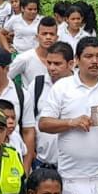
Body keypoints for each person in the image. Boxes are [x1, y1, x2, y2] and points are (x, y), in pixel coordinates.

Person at [40, 37, 98, 177]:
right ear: (77, 60)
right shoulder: (62, 87)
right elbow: (44, 124)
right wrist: (71, 122)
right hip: (71, 173)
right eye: (88, 56)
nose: (94, 61)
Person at [27, 42, 74, 171]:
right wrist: (30, 152)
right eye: (49, 63)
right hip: (42, 162)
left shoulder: (80, 88)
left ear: (70, 64)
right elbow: (28, 122)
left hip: (73, 165)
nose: (52, 68)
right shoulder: (37, 84)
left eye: (57, 64)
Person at [7, 15, 58, 86]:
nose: (48, 37)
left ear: (57, 38)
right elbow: (5, 78)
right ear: (37, 37)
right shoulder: (24, 58)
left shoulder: (62, 61)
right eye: (44, 34)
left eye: (52, 34)